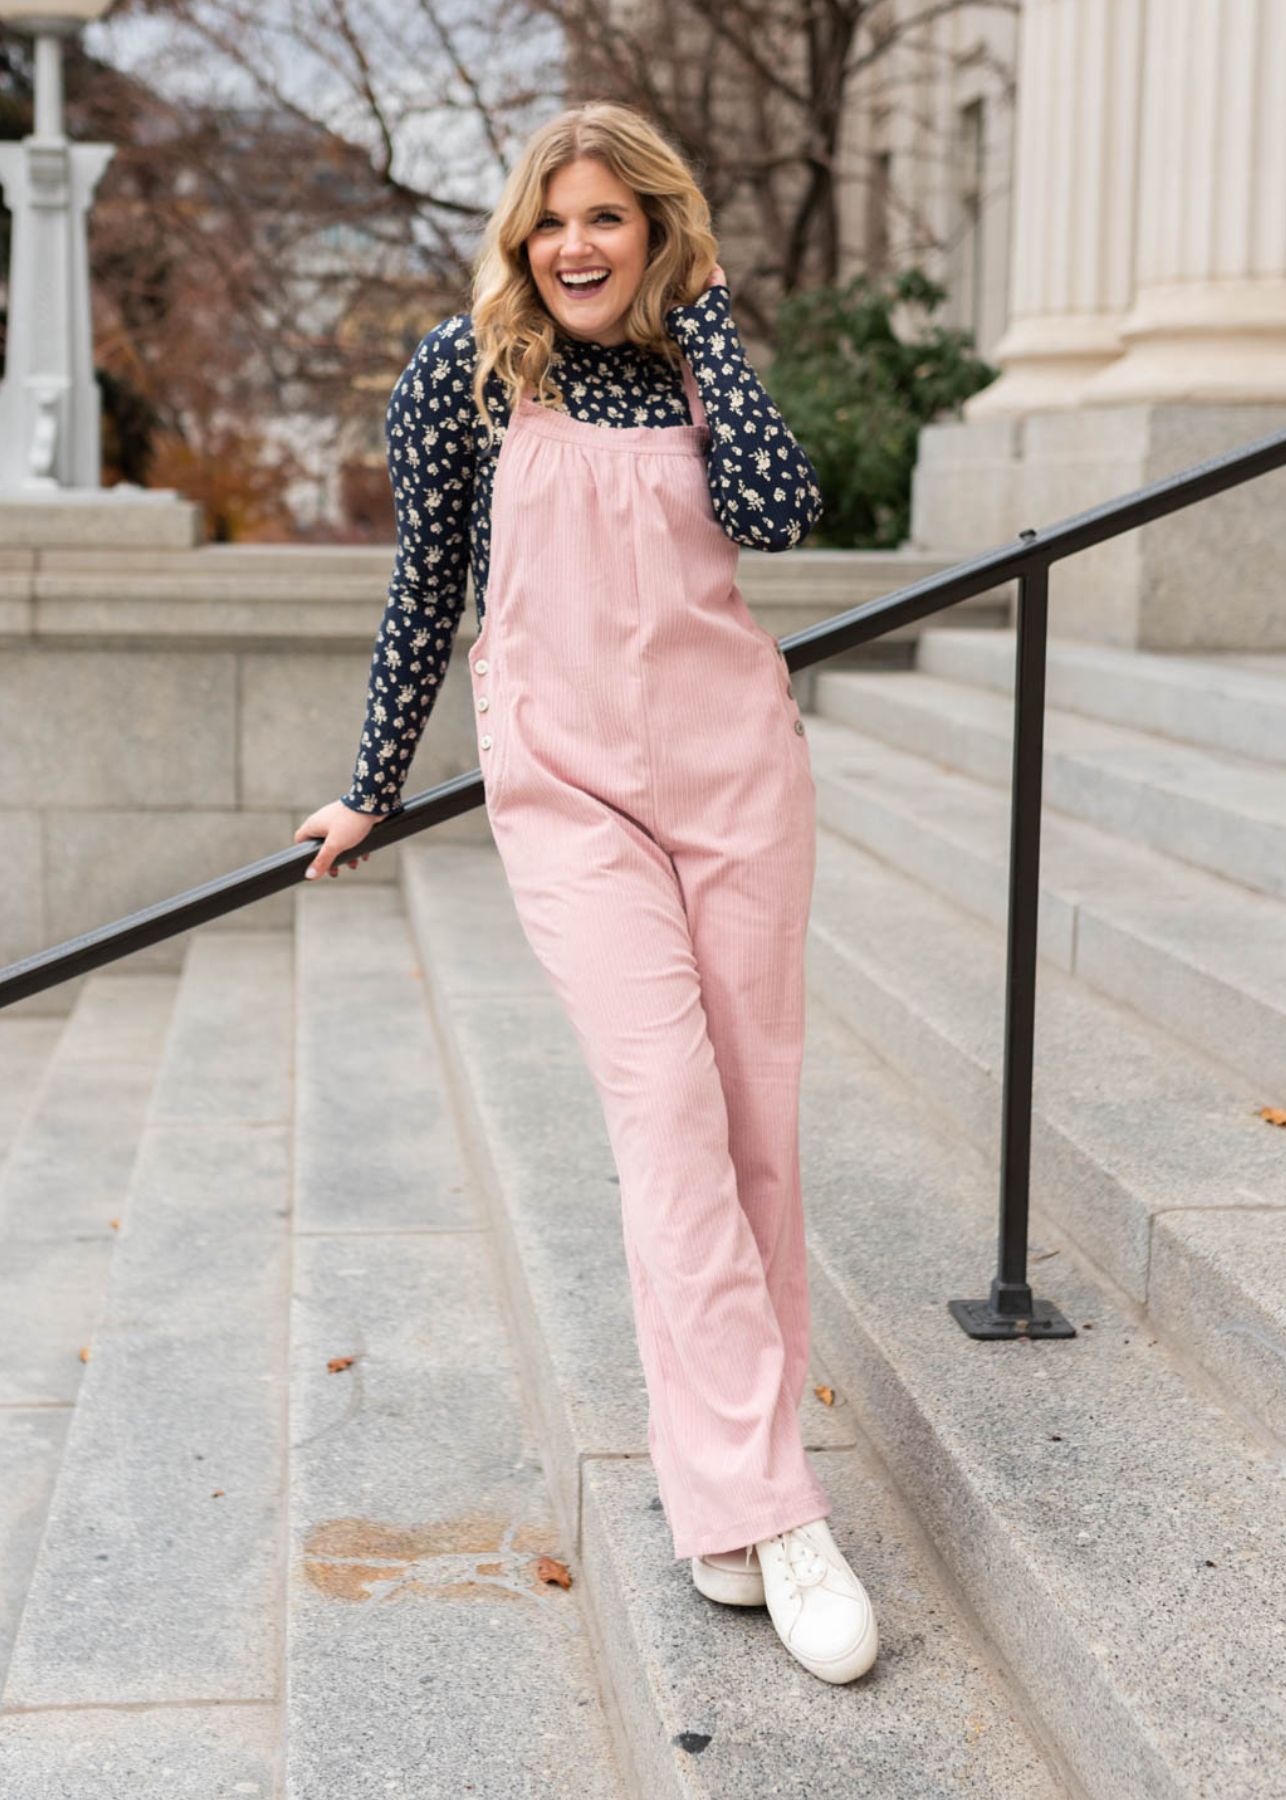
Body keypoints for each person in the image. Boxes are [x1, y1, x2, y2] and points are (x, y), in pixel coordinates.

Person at [294, 99, 878, 1686]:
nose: (574, 244)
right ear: (518, 233)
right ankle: (778, 1509)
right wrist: (374, 783)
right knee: (668, 1116)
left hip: (738, 782)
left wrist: (714, 333)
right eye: (552, 218)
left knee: (755, 1128)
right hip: (572, 801)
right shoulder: (466, 376)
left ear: (656, 231)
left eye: (609, 218)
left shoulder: (698, 365)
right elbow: (425, 587)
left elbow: (775, 511)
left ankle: (719, 1493)